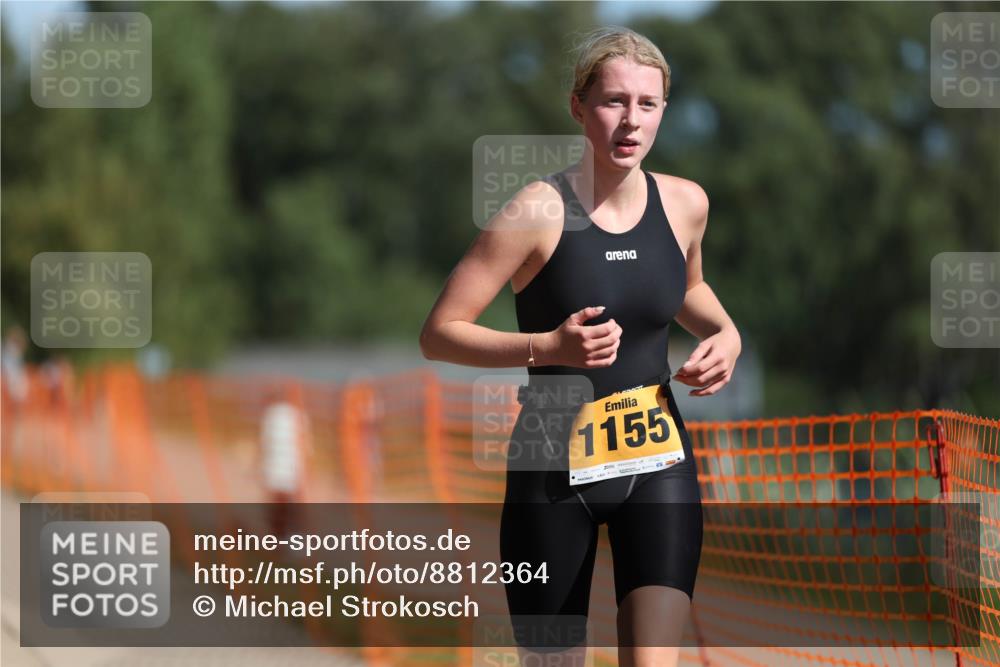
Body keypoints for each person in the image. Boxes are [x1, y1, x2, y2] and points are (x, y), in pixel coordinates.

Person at [420, 26, 741, 667]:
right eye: (613, 101)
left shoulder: (686, 205)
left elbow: (687, 287)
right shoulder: (535, 210)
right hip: (552, 468)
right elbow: (439, 333)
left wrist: (728, 334)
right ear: (578, 107)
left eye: (647, 104)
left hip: (658, 461)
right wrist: (549, 347)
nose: (631, 120)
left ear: (663, 112)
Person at [256, 388, 314, 539]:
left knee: (279, 505)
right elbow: (305, 444)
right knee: (291, 505)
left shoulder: (272, 414)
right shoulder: (298, 414)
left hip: (278, 466)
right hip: (291, 466)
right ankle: (291, 538)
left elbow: (264, 443)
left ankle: (281, 538)